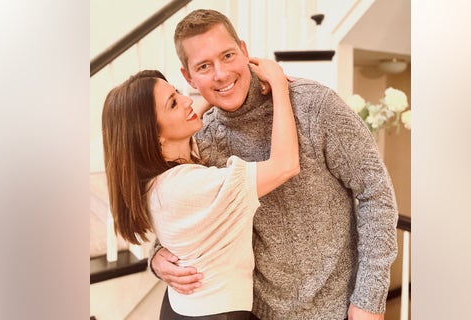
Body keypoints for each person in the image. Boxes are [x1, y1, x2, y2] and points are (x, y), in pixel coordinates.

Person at [150, 9, 399, 320]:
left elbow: (375, 192)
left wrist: (369, 298)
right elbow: (187, 209)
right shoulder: (204, 136)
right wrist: (158, 254)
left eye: (227, 55)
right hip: (255, 312)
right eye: (204, 66)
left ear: (244, 51)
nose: (221, 74)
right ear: (188, 77)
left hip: (336, 309)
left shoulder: (313, 105)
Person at [102, 59, 299, 319]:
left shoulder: (159, 174)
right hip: (217, 313)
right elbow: (285, 165)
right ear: (154, 135)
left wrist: (213, 91)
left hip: (180, 307)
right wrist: (278, 83)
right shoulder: (192, 186)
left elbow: (182, 119)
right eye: (173, 103)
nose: (186, 101)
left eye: (177, 92)